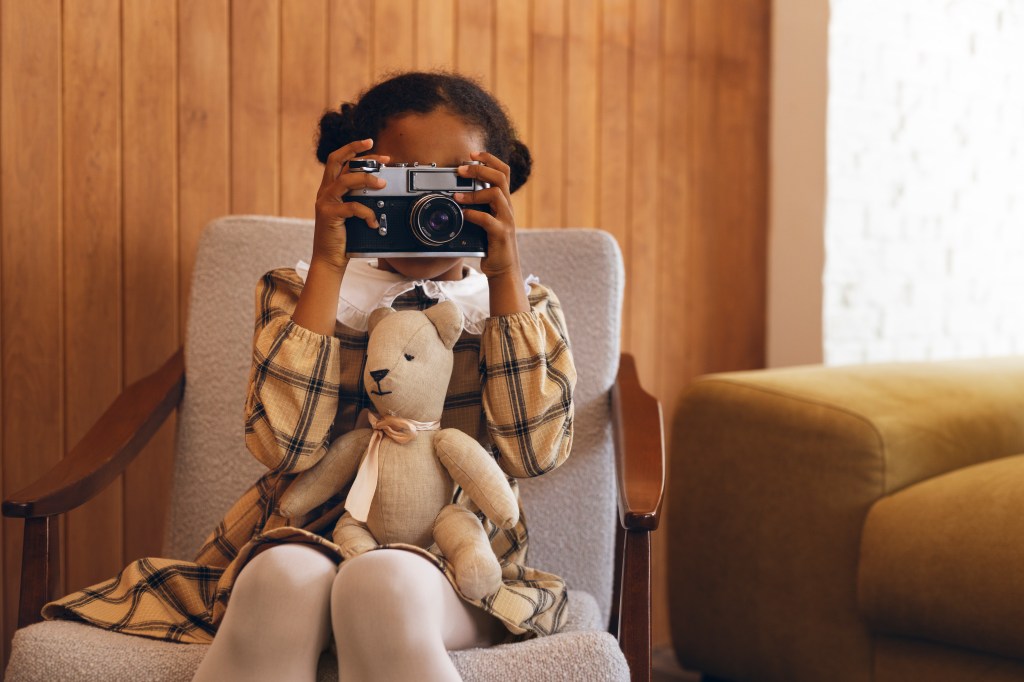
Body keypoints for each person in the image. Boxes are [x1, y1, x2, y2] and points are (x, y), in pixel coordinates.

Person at [42, 72, 576, 682]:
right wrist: (328, 260)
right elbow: (283, 448)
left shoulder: (519, 310)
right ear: (356, 178)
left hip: (460, 557)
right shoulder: (303, 292)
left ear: (495, 190)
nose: (431, 209)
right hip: (316, 533)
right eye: (403, 184)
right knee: (277, 577)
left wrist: (504, 276)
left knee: (383, 583)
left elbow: (533, 454)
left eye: (455, 186)